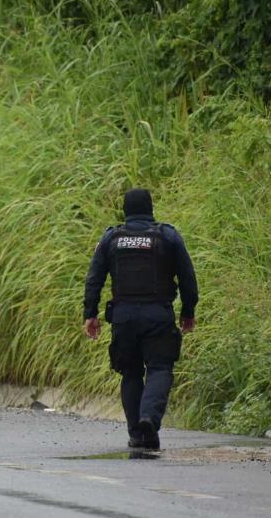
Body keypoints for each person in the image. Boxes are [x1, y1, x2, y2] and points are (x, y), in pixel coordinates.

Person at [83, 189, 198, 450]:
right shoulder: (167, 236)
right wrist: (188, 311)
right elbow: (188, 277)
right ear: (150, 208)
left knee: (131, 373)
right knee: (159, 368)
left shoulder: (111, 238)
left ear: (125, 210)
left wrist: (90, 314)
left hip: (123, 318)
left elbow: (94, 279)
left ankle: (137, 433)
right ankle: (149, 418)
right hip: (158, 315)